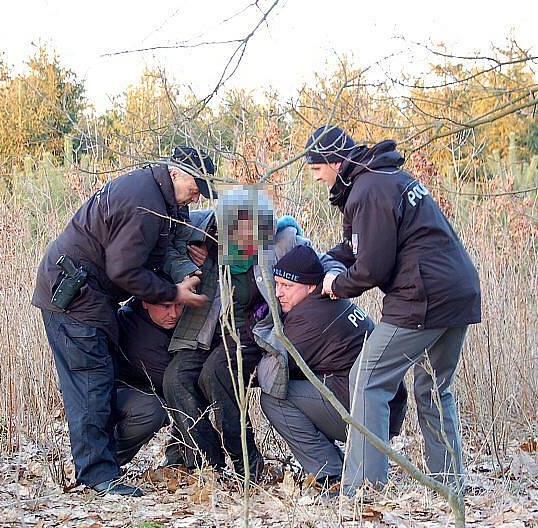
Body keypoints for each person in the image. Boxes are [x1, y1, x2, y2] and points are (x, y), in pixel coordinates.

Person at [305, 125, 481, 494]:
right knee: (434, 387)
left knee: (367, 380)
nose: (316, 176)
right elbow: (361, 247)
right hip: (458, 291)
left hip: (423, 298)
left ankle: (365, 489)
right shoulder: (384, 179)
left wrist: (337, 285)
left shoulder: (369, 190)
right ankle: (448, 485)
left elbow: (371, 268)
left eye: (316, 167)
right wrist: (329, 260)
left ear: (334, 162)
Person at [32, 146, 212, 497]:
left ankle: (99, 463)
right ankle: (97, 476)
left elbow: (164, 243)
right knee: (91, 383)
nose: (197, 194)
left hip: (90, 298)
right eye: (195, 185)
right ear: (175, 172)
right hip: (74, 299)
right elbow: (124, 270)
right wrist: (172, 293)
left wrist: (192, 251)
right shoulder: (143, 203)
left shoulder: (157, 195)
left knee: (96, 381)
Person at [163, 187, 346, 481]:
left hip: (254, 332)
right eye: (235, 233)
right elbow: (165, 232)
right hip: (208, 330)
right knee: (176, 377)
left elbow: (322, 263)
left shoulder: (284, 243)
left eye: (252, 234)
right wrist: (185, 259)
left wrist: (332, 278)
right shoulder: (204, 230)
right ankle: (206, 463)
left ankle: (246, 464)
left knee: (217, 372)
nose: (242, 242)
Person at [258, 245, 407, 490]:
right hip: (385, 409)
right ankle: (340, 464)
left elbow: (274, 374)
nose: (278, 293)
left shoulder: (308, 319)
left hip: (364, 415)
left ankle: (330, 473)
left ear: (309, 286)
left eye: (287, 286)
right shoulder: (331, 300)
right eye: (276, 284)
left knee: (274, 399)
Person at [113, 297, 183, 465]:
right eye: (165, 305)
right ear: (145, 301)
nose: (173, 314)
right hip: (114, 396)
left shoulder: (161, 321)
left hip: (139, 390)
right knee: (152, 411)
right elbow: (177, 385)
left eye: (179, 305)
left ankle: (180, 461)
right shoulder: (137, 332)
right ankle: (103, 464)